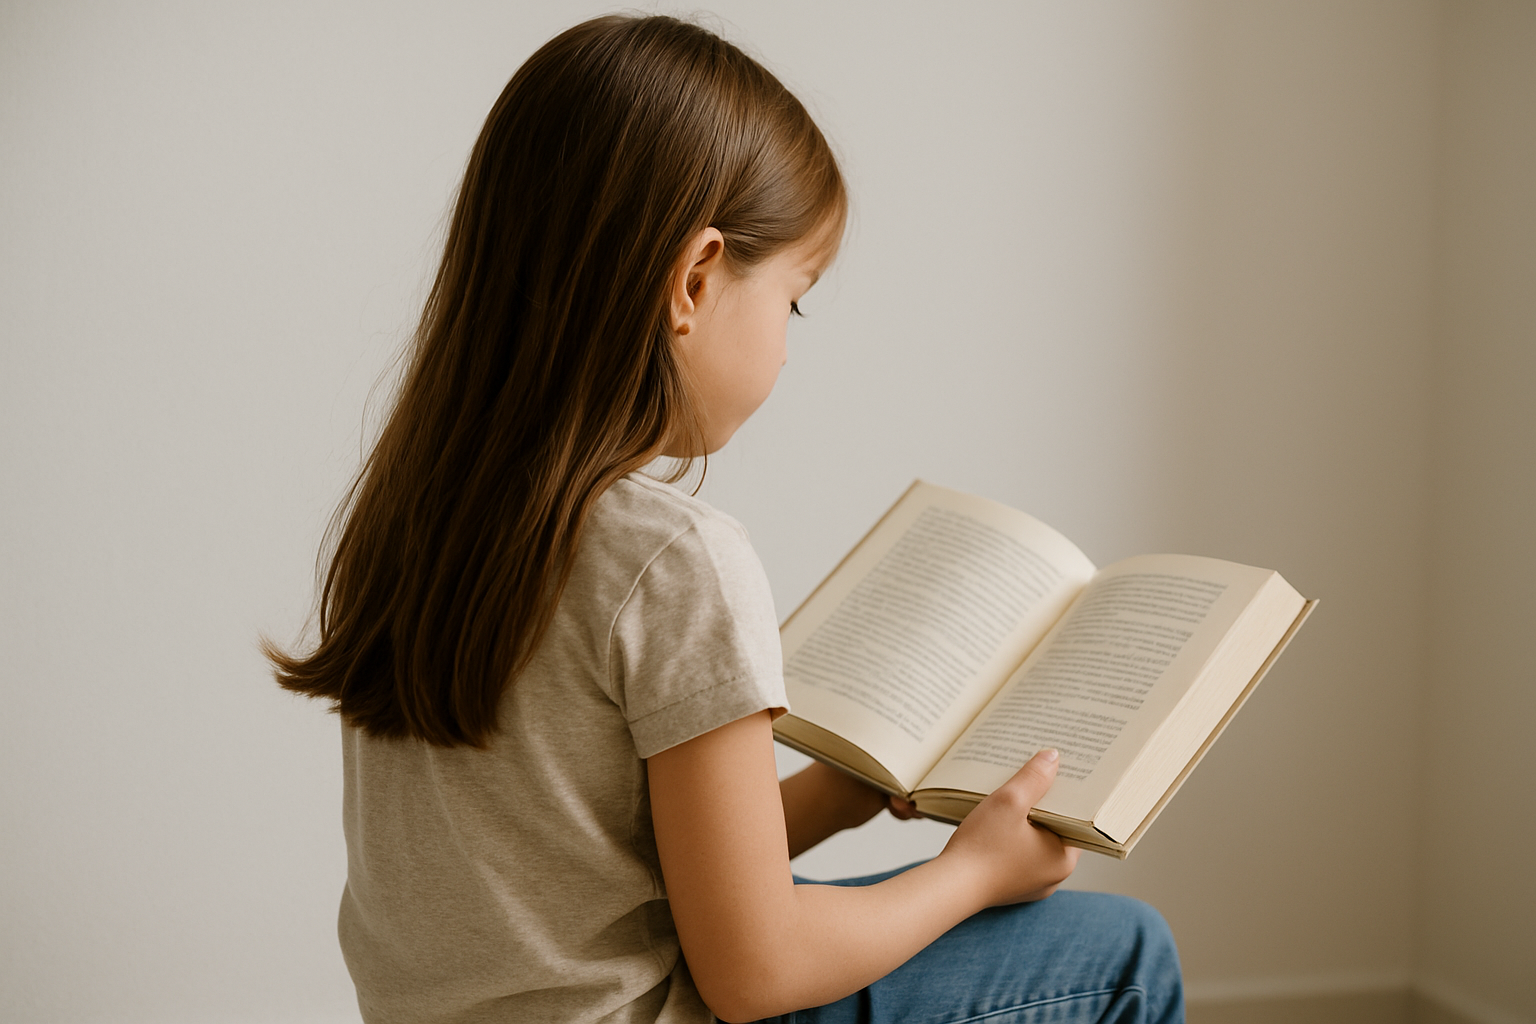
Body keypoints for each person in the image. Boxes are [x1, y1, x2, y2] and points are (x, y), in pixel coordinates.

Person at [267, 14, 1184, 1024]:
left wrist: (832, 802)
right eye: (795, 300)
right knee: (1124, 949)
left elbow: (599, 866)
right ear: (695, 279)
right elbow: (756, 972)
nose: (789, 348)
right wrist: (973, 871)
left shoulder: (418, 517)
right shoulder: (672, 559)